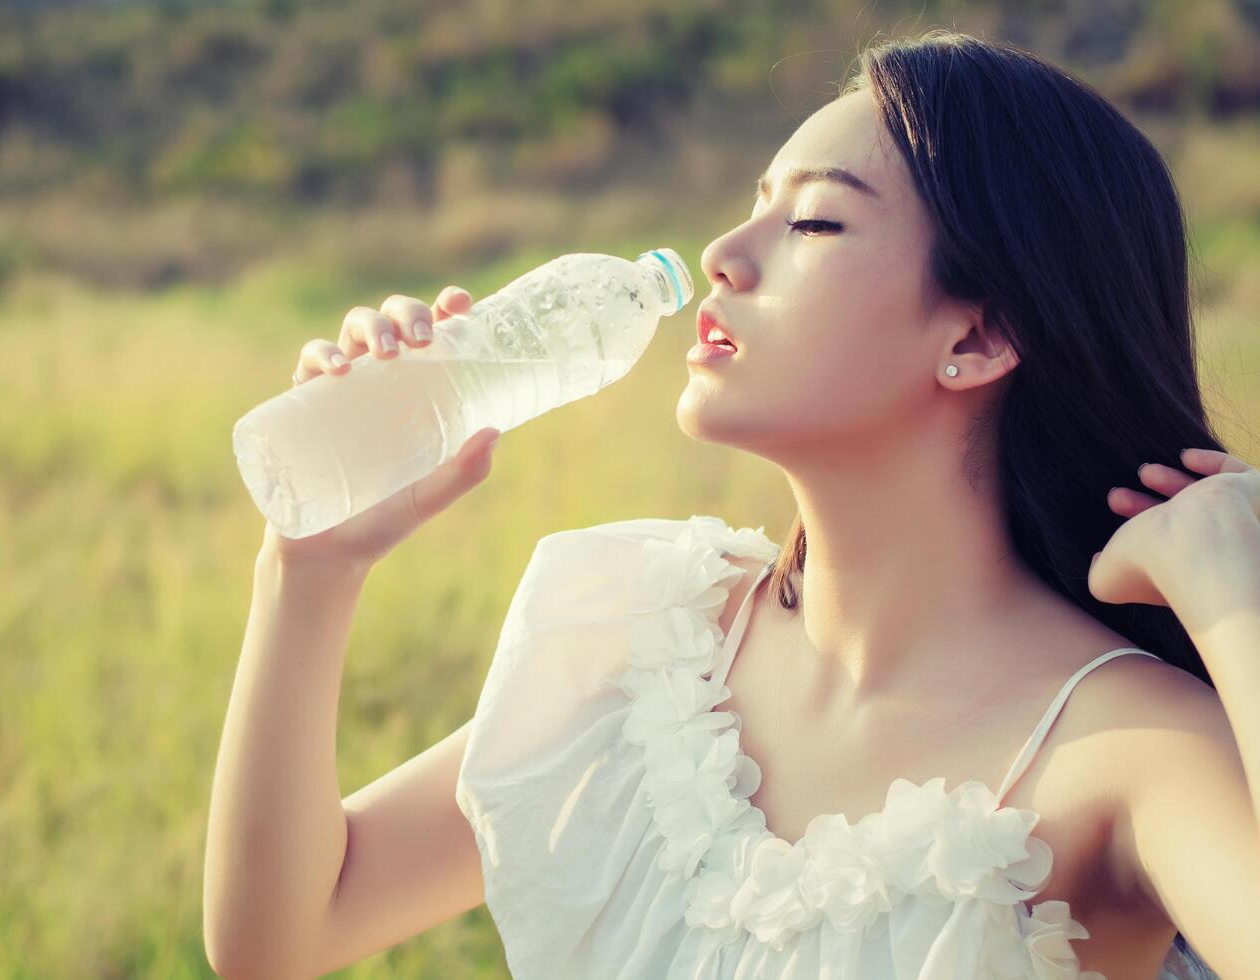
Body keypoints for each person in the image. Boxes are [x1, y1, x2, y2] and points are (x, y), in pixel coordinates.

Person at [203, 29, 1253, 980]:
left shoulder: (1131, 751)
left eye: (814, 219)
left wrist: (1234, 592)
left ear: (974, 338)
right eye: (755, 203)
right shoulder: (655, 649)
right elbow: (283, 934)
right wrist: (309, 567)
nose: (723, 255)